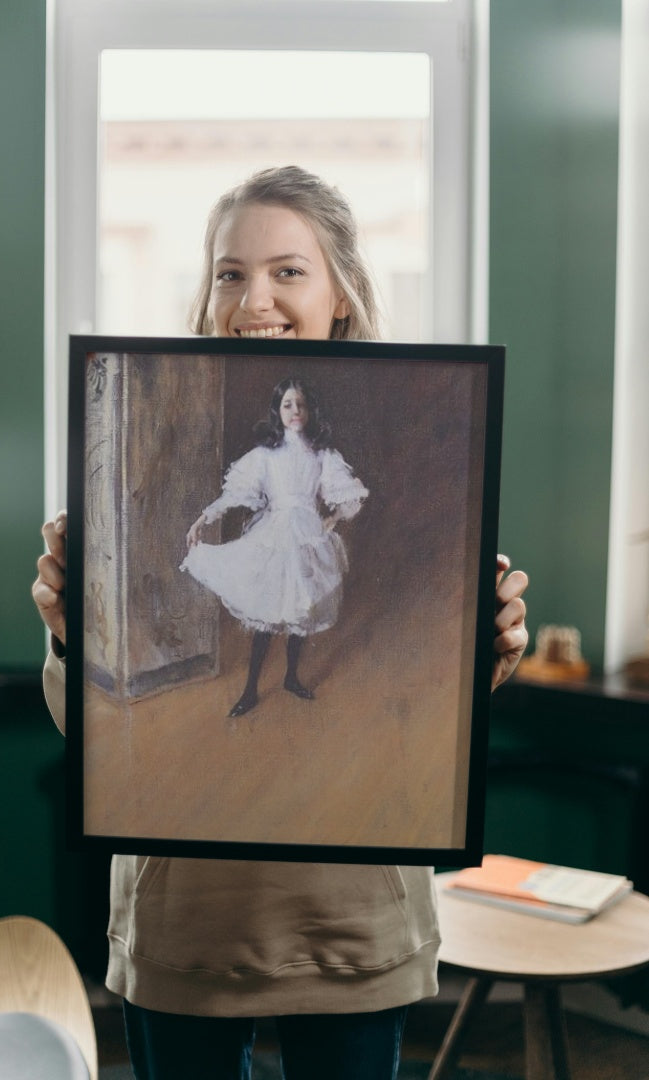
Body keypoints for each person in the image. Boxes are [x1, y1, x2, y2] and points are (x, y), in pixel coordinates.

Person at [33, 165, 529, 1080]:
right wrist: (72, 635)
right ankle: (266, 681)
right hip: (184, 928)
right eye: (229, 272)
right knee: (267, 613)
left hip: (352, 927)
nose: (252, 297)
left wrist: (484, 656)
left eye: (287, 271)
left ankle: (291, 677)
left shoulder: (398, 427)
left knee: (301, 617)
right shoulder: (219, 435)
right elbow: (89, 731)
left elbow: (435, 737)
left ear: (340, 291)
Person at [181, 374, 368, 716]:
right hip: (276, 533)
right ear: (277, 411)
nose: (295, 410)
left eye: (301, 404)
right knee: (267, 616)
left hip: (308, 534)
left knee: (301, 608)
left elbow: (346, 494)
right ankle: (250, 690)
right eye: (287, 404)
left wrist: (332, 519)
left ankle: (291, 678)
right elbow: (234, 494)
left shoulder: (322, 453)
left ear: (310, 411)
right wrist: (202, 520)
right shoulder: (265, 455)